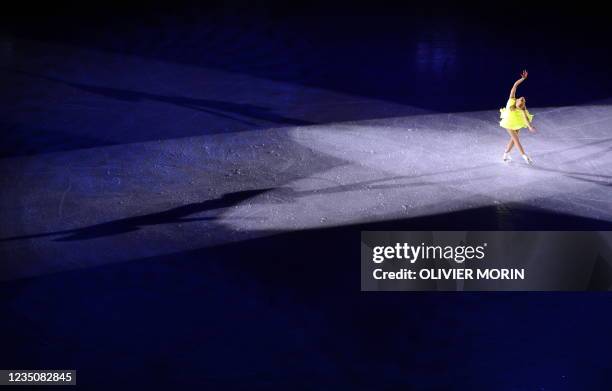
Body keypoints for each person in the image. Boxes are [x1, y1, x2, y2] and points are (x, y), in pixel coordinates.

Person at [500, 70, 536, 164]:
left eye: (523, 102)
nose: (523, 100)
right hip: (508, 122)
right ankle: (525, 156)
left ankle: (505, 154)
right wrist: (523, 79)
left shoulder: (519, 106)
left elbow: (525, 119)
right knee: (516, 140)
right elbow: (515, 85)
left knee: (513, 139)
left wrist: (530, 126)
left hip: (516, 121)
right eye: (523, 101)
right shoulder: (513, 99)